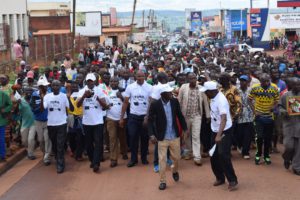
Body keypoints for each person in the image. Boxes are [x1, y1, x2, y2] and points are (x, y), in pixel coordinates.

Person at [148, 84, 188, 190]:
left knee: (176, 158)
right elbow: (150, 121)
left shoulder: (174, 102)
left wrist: (185, 129)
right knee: (162, 160)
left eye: (171, 92)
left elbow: (180, 115)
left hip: (174, 136)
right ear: (162, 94)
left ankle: (174, 171)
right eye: (169, 92)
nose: (171, 93)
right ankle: (162, 181)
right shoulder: (155, 105)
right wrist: (151, 134)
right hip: (162, 137)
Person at [200, 81, 238, 191]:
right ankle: (220, 178)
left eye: (206, 92)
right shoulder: (213, 95)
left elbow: (224, 119)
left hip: (224, 130)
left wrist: (218, 135)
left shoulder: (221, 100)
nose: (205, 94)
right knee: (213, 155)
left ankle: (232, 180)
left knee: (223, 155)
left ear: (211, 91)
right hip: (215, 129)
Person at [77, 73, 110, 173]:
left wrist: (98, 98)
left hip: (98, 121)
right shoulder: (82, 91)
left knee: (99, 142)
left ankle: (96, 163)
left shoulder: (99, 90)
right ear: (86, 81)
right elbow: (78, 105)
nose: (90, 83)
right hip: (87, 121)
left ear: (95, 81)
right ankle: (92, 160)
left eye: (92, 81)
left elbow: (105, 106)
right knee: (88, 144)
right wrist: (84, 96)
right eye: (89, 81)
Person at [120, 71, 152, 167]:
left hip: (145, 117)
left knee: (144, 138)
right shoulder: (130, 87)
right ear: (135, 77)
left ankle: (143, 158)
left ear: (145, 76)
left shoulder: (150, 88)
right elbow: (125, 102)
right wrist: (121, 117)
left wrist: (148, 116)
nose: (140, 78)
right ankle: (133, 159)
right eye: (138, 76)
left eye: (142, 76)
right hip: (133, 116)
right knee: (133, 137)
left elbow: (151, 102)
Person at [41, 80, 73, 174]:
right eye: (53, 85)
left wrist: (69, 98)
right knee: (54, 144)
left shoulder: (63, 96)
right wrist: (42, 99)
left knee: (60, 144)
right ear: (51, 86)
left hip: (62, 123)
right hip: (51, 124)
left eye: (57, 85)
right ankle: (58, 156)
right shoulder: (47, 96)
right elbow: (43, 109)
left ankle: (60, 164)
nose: (55, 86)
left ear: (60, 86)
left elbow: (71, 109)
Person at [178, 72, 210, 165]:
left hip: (197, 116)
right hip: (185, 116)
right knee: (186, 135)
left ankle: (197, 157)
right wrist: (178, 116)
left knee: (196, 136)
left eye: (194, 78)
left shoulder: (200, 89)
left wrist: (208, 115)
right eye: (191, 78)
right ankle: (188, 152)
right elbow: (179, 101)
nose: (193, 80)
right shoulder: (183, 87)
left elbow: (205, 103)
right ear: (187, 80)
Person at [248, 73, 279, 165]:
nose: (266, 83)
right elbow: (249, 100)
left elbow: (277, 100)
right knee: (259, 137)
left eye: (267, 81)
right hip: (259, 116)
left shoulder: (274, 88)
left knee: (268, 138)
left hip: (270, 116)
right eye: (263, 81)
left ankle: (266, 156)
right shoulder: (255, 87)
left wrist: (274, 107)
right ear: (260, 81)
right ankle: (258, 154)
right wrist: (254, 111)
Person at [279, 77, 300, 176]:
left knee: (298, 147)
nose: (298, 86)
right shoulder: (285, 95)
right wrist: (284, 111)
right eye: (296, 84)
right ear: (291, 85)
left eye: (299, 84)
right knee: (289, 146)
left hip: (299, 125)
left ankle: (296, 167)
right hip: (289, 124)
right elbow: (279, 107)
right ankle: (286, 158)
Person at [106, 76, 128, 167]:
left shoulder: (124, 91)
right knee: (112, 138)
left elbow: (128, 104)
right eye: (112, 81)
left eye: (115, 81)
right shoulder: (106, 91)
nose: (113, 83)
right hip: (110, 118)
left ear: (118, 82)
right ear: (110, 82)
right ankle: (113, 159)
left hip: (122, 117)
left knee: (122, 137)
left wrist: (121, 97)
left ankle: (124, 152)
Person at [30, 76, 52, 165]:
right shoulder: (34, 95)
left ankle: (47, 157)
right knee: (41, 140)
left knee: (47, 139)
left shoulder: (50, 93)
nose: (46, 87)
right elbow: (33, 109)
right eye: (43, 86)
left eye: (46, 86)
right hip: (38, 121)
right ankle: (44, 153)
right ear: (39, 87)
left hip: (48, 120)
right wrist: (41, 106)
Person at [237, 75, 254, 159]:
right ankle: (239, 145)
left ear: (247, 82)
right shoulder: (237, 90)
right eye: (241, 81)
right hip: (239, 115)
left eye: (244, 81)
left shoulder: (251, 90)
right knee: (239, 134)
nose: (242, 82)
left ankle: (245, 152)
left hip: (250, 114)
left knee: (248, 134)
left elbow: (254, 101)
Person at [67, 81, 84, 161]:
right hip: (71, 118)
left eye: (75, 86)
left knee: (80, 136)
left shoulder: (81, 93)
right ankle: (73, 150)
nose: (74, 87)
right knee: (71, 136)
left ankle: (79, 154)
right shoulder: (68, 96)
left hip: (80, 117)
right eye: (72, 86)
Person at [0, 90, 12, 162]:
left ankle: (2, 156)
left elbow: (10, 104)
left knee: (1, 139)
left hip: (1, 121)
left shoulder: (3, 94)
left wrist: (5, 110)